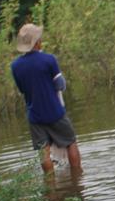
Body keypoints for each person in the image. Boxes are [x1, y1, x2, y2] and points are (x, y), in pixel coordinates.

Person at [11, 23, 82, 174]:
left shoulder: (15, 66)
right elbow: (60, 85)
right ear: (37, 42)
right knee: (71, 143)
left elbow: (23, 90)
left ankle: (50, 185)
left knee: (43, 151)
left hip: (35, 115)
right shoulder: (49, 59)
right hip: (55, 112)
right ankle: (77, 178)